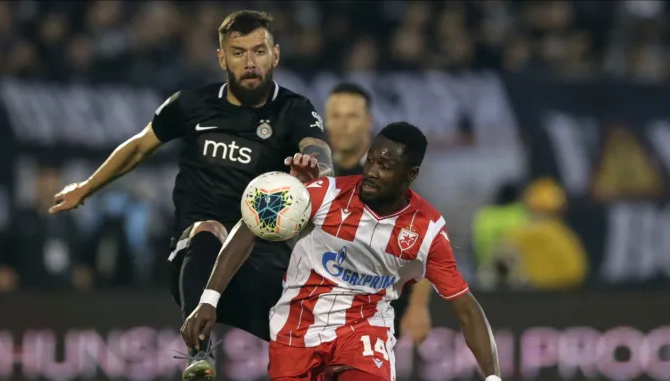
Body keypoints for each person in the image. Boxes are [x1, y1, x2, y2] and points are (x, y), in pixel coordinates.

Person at [48, 10, 333, 380]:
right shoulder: (190, 105)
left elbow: (318, 151)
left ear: (275, 55)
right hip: (195, 261)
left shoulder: (294, 110)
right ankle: (200, 357)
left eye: (259, 52)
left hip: (261, 263)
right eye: (238, 52)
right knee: (206, 229)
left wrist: (317, 170)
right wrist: (85, 188)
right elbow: (138, 147)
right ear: (221, 58)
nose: (250, 63)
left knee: (323, 354)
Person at [184, 122, 502, 381]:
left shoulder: (426, 231)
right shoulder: (325, 194)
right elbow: (252, 224)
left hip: (365, 331)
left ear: (410, 175)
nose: (372, 170)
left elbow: (467, 309)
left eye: (386, 165)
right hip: (297, 328)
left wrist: (492, 378)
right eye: (372, 158)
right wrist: (209, 298)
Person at [325, 82, 433, 346]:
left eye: (352, 116)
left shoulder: (391, 174)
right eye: (336, 116)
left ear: (369, 121)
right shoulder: (319, 173)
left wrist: (418, 307)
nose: (343, 125)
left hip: (376, 309)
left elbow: (423, 243)